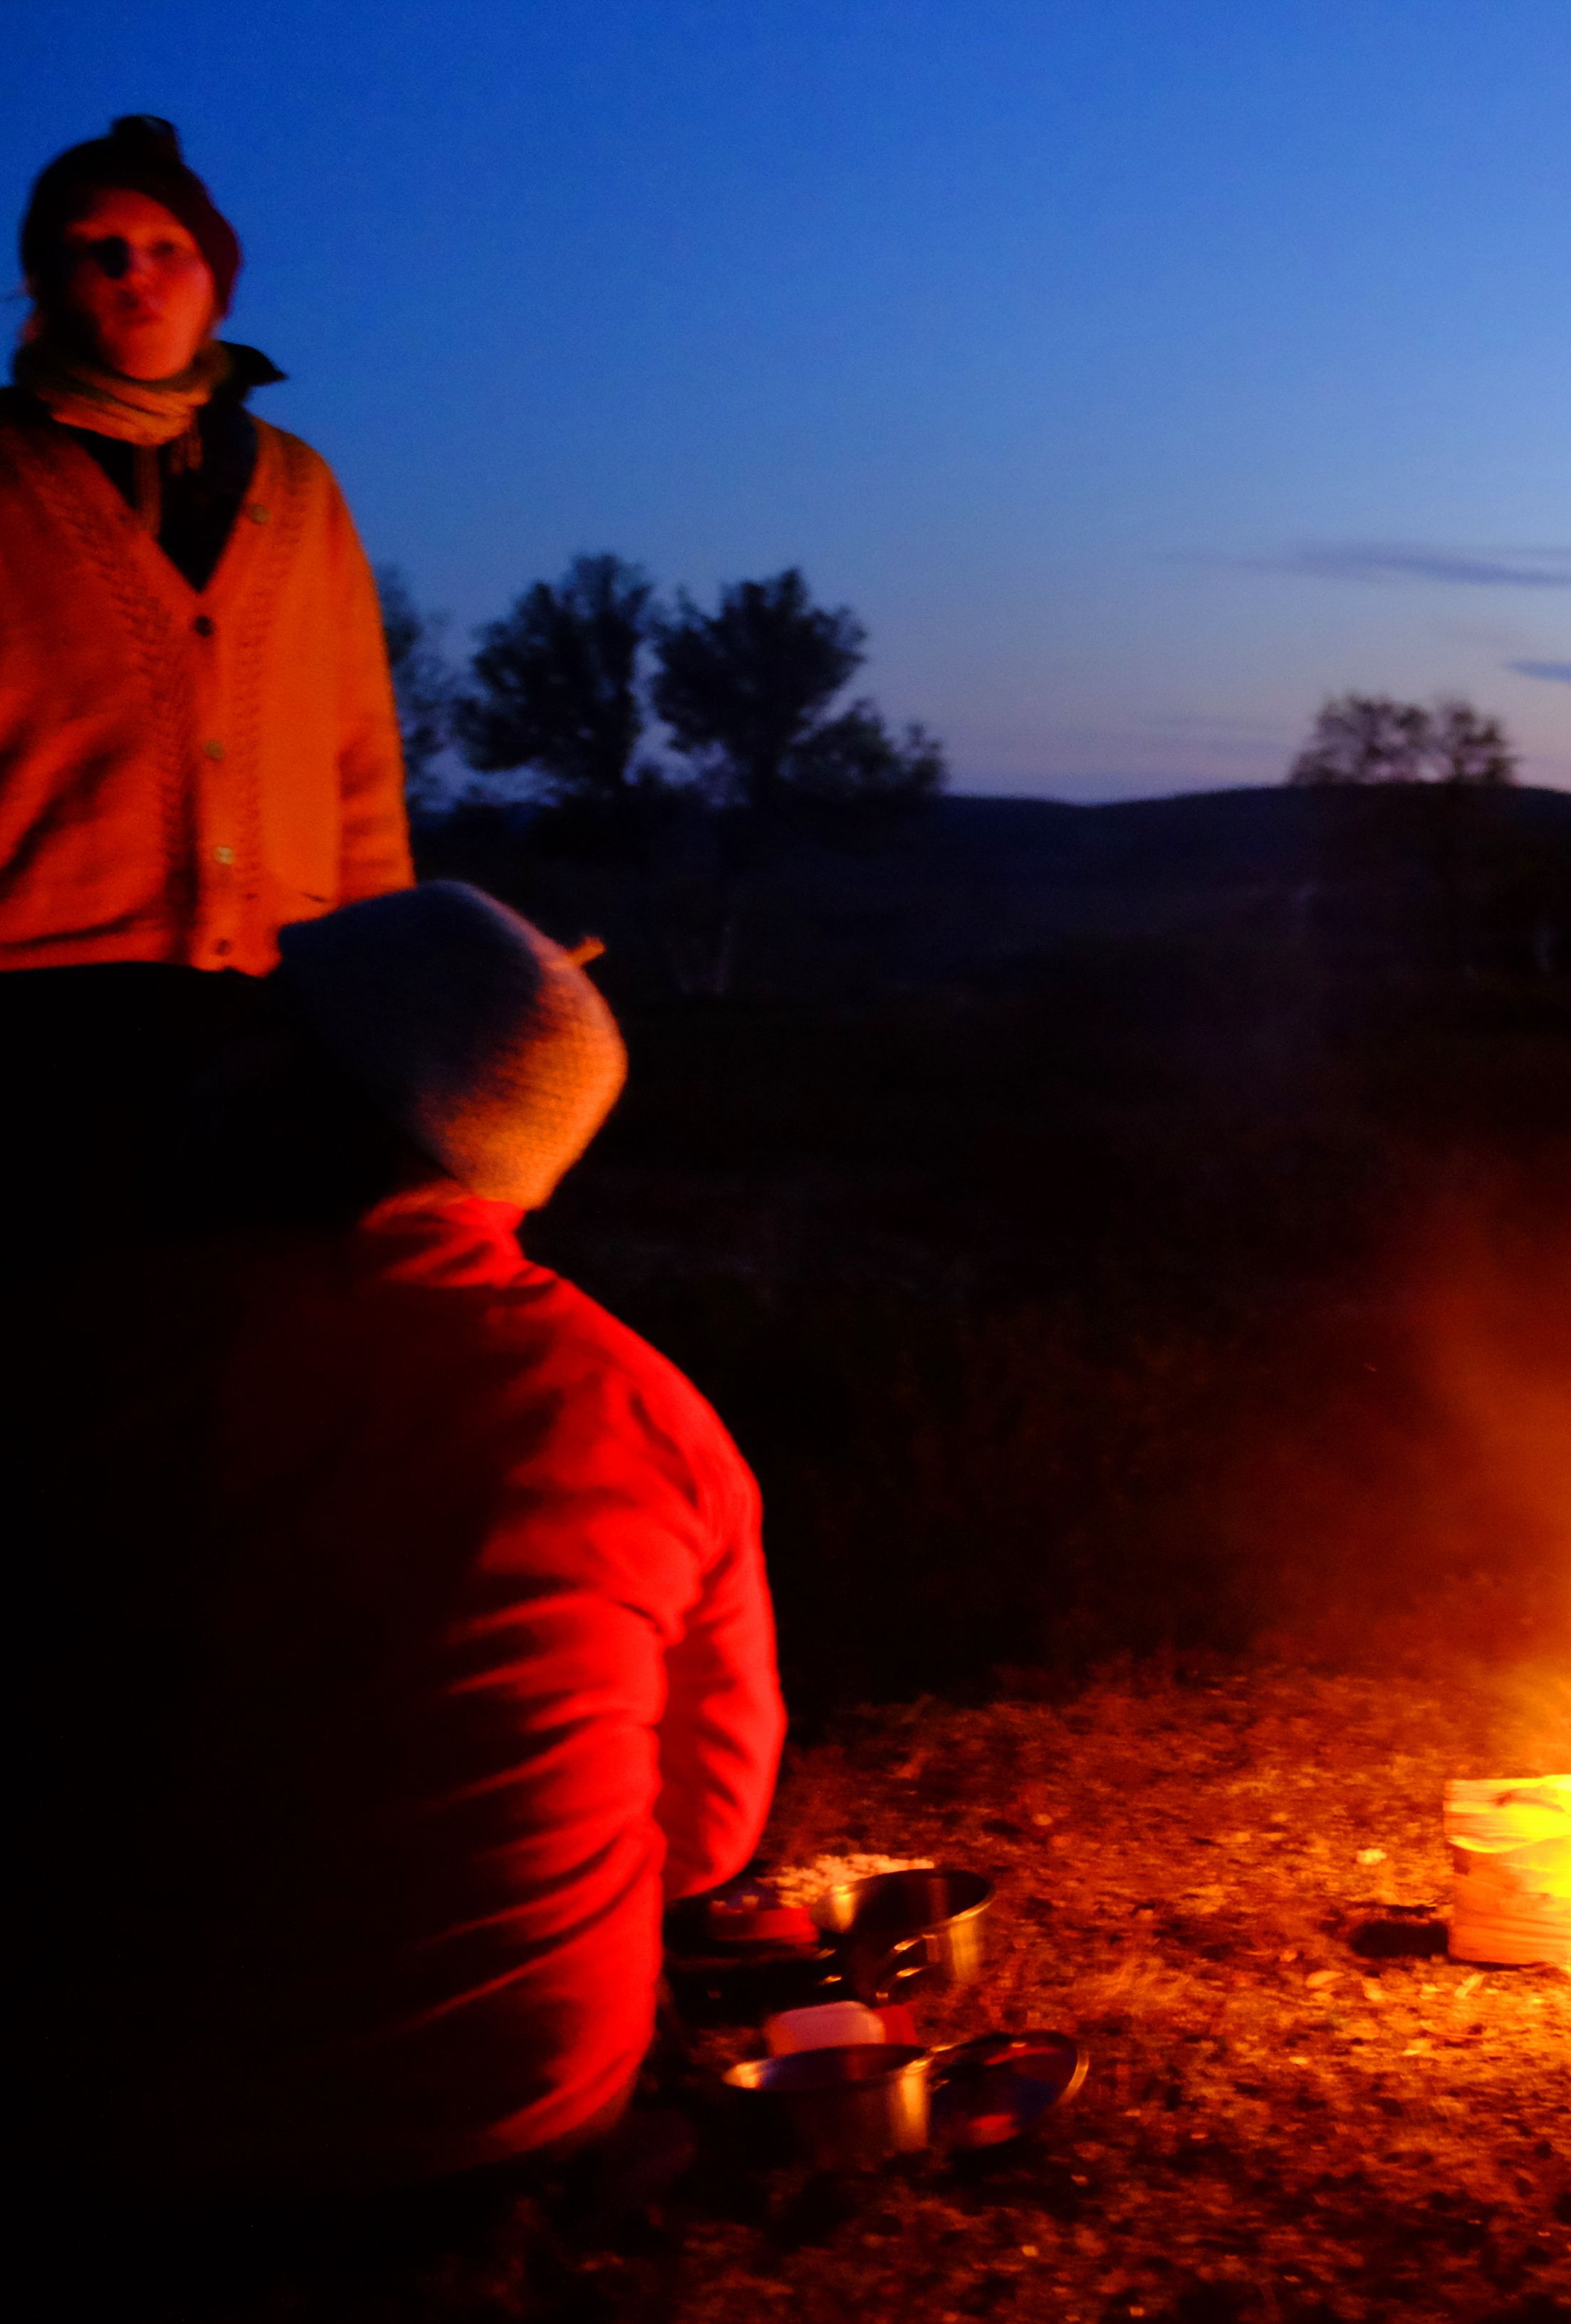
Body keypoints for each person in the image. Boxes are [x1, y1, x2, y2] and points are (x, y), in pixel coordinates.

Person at [17, 884, 781, 2272]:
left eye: (265, 1025)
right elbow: (711, 1834)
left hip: (106, 2166)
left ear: (308, 1082)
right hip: (513, 2136)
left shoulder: (84, 1350)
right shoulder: (655, 1421)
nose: (217, 1054)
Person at [2, 115, 409, 978]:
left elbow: (360, 758)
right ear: (40, 281)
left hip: (279, 991)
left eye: (166, 246)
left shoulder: (299, 488)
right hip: (38, 993)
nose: (132, 272)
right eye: (94, 245)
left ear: (217, 287)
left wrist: (384, 973)